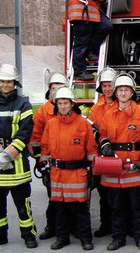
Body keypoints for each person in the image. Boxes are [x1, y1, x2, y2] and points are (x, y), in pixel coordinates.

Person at [0, 64, 38, 249]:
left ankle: (29, 235)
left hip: (18, 165)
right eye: (3, 81)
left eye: (9, 81)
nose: (6, 84)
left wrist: (9, 153)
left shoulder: (24, 105)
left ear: (15, 83)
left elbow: (25, 132)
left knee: (23, 205)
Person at [99, 73, 140, 251]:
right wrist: (105, 145)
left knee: (137, 207)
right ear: (115, 93)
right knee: (116, 207)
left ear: (132, 92)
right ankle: (118, 238)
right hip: (113, 167)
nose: (123, 93)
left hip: (135, 167)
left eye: (126, 90)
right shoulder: (108, 114)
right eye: (120, 90)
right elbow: (102, 135)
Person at [40, 87, 98, 251]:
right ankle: (62, 238)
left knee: (80, 209)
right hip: (57, 173)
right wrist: (43, 168)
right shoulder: (51, 124)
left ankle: (86, 238)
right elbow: (45, 148)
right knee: (60, 209)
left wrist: (93, 171)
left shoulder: (83, 123)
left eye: (66, 103)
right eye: (60, 103)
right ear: (56, 104)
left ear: (72, 104)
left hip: (77, 173)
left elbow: (91, 149)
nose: (63, 106)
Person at [30, 71, 69, 241]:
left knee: (72, 197)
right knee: (54, 197)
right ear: (49, 90)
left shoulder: (73, 111)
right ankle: (52, 226)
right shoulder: (42, 112)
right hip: (51, 164)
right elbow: (35, 139)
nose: (57, 91)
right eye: (54, 88)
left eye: (60, 88)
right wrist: (41, 161)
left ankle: (72, 226)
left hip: (70, 164)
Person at [87, 67, 118, 238]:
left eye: (110, 85)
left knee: (119, 194)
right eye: (104, 86)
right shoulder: (96, 108)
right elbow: (91, 130)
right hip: (101, 155)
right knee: (103, 193)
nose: (107, 89)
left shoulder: (120, 103)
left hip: (117, 154)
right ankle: (106, 225)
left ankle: (122, 225)